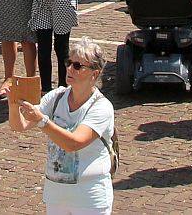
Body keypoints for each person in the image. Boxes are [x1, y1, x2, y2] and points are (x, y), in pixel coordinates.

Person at [14, 37, 116, 215]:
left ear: (95, 74)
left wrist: (43, 121)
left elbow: (74, 143)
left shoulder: (101, 107)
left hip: (89, 196)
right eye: (69, 63)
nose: (70, 69)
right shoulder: (57, 97)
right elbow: (20, 126)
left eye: (78, 66)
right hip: (56, 194)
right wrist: (13, 103)